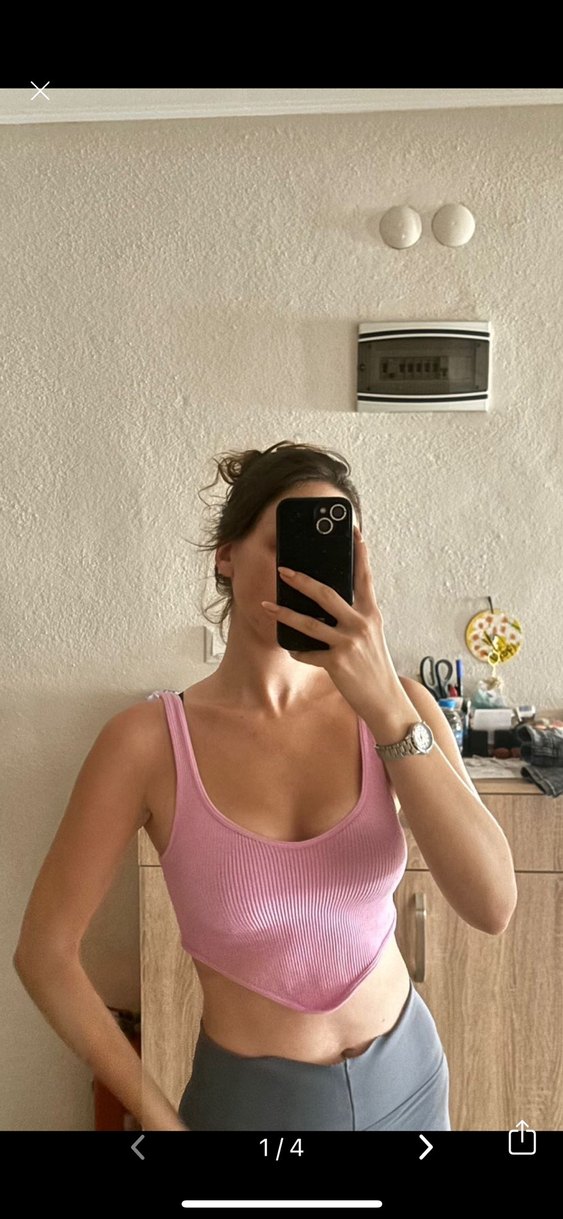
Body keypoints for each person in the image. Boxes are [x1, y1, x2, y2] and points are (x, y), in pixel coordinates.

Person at [14, 440, 517, 1131]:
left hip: (411, 1081)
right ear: (226, 555)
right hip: (252, 1105)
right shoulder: (148, 743)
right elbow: (44, 953)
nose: (306, 576)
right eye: (285, 546)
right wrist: (158, 1118)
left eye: (330, 555)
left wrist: (386, 708)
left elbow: (492, 905)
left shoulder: (397, 709)